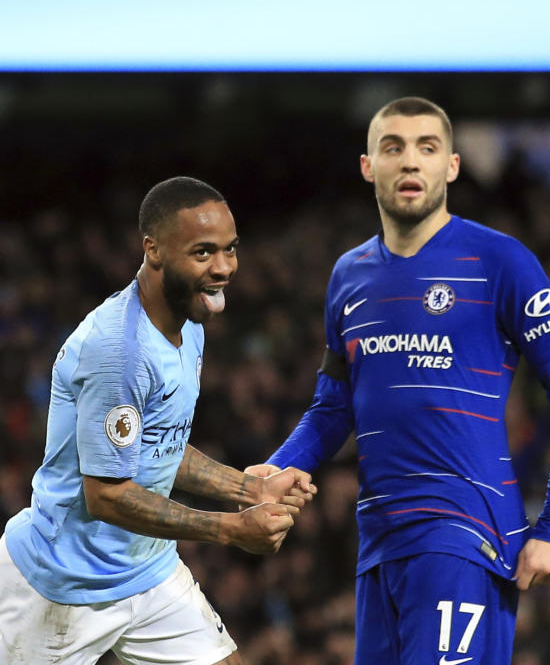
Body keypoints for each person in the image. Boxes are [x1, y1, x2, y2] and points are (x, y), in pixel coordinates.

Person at [250, 97, 550, 664]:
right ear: (368, 166)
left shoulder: (499, 260)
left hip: (463, 535)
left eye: (426, 148)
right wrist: (283, 464)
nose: (410, 162)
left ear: (452, 166)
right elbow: (335, 405)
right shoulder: (348, 276)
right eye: (394, 147)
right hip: (380, 544)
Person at [0, 176, 316, 665]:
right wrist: (230, 529)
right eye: (204, 253)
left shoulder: (189, 322)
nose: (224, 267)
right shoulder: (119, 352)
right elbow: (106, 494)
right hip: (64, 583)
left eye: (230, 250)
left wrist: (249, 490)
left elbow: (158, 446)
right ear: (154, 250)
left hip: (147, 572)